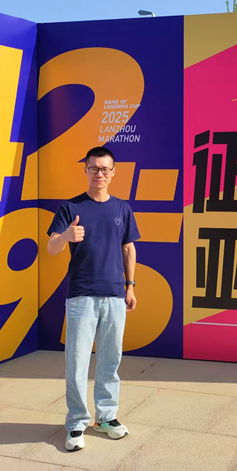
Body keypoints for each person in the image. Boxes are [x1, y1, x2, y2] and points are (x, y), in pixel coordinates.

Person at [47, 146, 140, 452]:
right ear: (85, 170)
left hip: (114, 295)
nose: (99, 173)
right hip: (81, 296)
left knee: (110, 361)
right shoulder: (70, 207)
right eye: (94, 168)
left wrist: (130, 286)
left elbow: (128, 248)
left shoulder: (122, 208)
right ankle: (76, 423)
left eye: (104, 169)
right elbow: (51, 248)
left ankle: (106, 417)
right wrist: (65, 237)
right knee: (77, 362)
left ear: (113, 173)